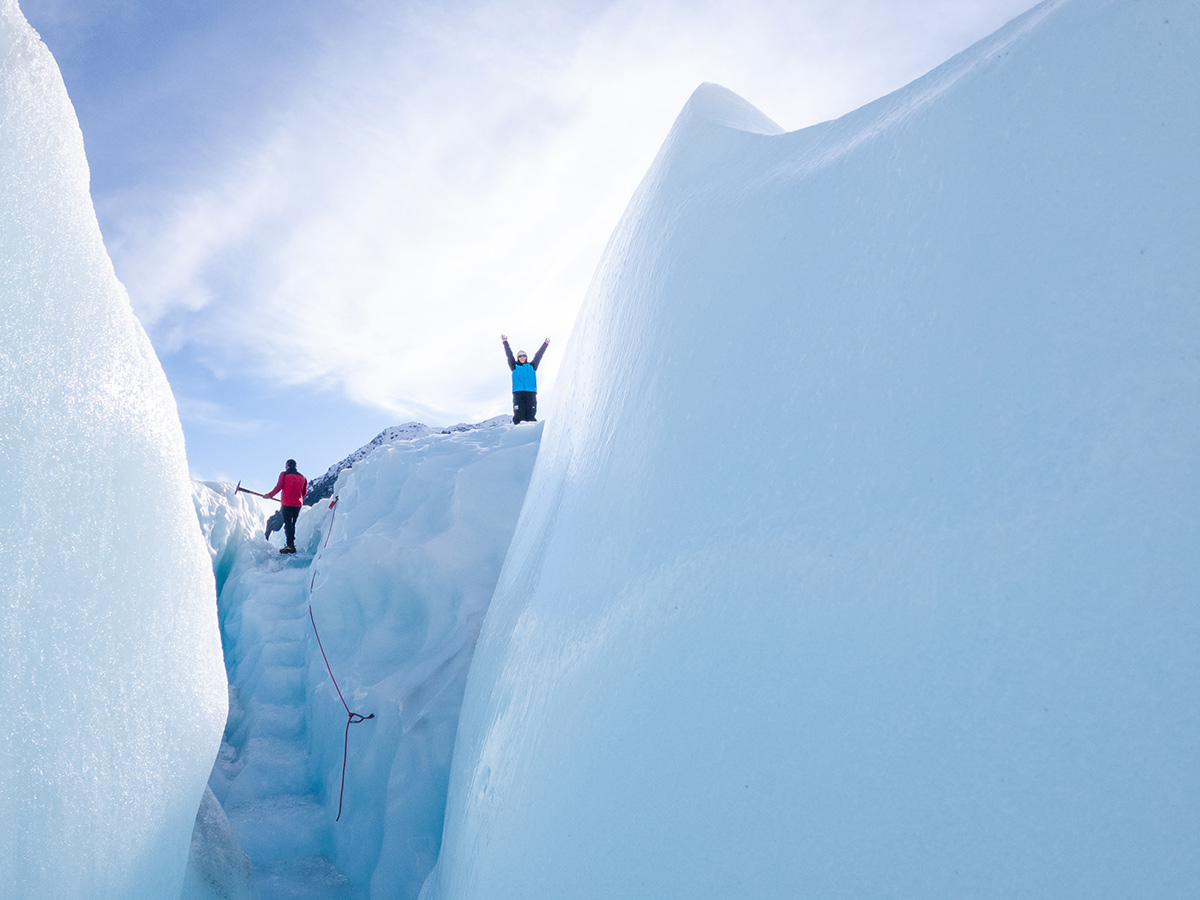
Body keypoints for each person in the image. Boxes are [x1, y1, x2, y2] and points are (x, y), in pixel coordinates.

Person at [502, 334, 549, 424]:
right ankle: (518, 430)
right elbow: (509, 355)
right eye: (520, 356)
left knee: (530, 413)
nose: (522, 358)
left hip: (530, 392)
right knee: (519, 413)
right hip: (518, 392)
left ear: (526, 357)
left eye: (524, 356)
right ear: (518, 358)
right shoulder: (514, 366)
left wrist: (545, 344)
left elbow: (539, 355)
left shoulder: (532, 366)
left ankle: (532, 430)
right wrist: (505, 342)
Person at [264, 459, 308, 553]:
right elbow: (304, 492)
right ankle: (291, 544)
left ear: (287, 465)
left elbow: (279, 487)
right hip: (297, 504)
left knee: (288, 524)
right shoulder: (303, 477)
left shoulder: (284, 474)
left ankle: (290, 546)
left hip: (287, 503)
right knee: (292, 524)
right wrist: (295, 496)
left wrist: (269, 495)